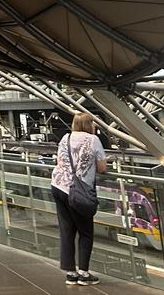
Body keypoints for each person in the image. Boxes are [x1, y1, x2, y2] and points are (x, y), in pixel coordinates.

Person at [51, 112, 107, 286]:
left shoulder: (65, 138)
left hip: (58, 185)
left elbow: (60, 161)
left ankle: (71, 273)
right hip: (79, 190)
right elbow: (102, 168)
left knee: (67, 230)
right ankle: (83, 273)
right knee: (85, 232)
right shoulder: (93, 140)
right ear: (89, 124)